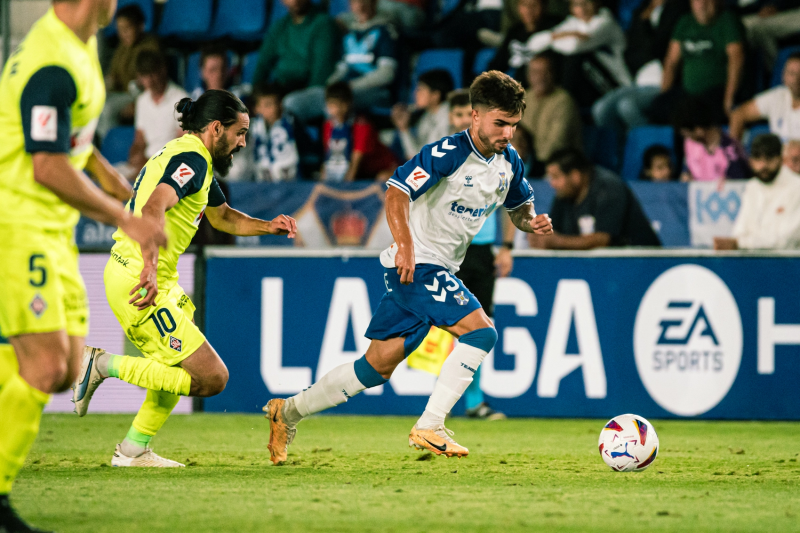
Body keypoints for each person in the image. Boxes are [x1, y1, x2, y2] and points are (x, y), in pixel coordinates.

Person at [264, 71, 553, 464]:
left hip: (436, 270)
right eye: (500, 123)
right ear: (475, 116)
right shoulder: (447, 152)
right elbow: (397, 191)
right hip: (418, 265)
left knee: (374, 368)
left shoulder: (510, 163)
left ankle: (288, 411)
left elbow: (519, 209)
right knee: (482, 334)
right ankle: (431, 425)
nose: (508, 133)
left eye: (514, 125)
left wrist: (531, 221)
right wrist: (404, 245)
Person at [0, 1, 167, 530]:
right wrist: (127, 218)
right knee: (46, 366)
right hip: (18, 221)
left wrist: (124, 192)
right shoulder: (51, 61)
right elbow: (47, 165)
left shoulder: (84, 46)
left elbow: (76, 143)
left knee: (66, 368)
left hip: (52, 229)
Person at [71, 90, 298, 467]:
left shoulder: (191, 157)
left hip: (152, 274)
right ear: (215, 128)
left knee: (177, 367)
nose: (242, 142)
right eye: (239, 133)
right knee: (212, 378)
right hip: (139, 275)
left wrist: (266, 226)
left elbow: (222, 216)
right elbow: (155, 204)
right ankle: (99, 365)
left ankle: (133, 450)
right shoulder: (192, 159)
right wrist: (147, 266)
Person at [447, 90, 514, 420]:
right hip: (448, 251)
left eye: (466, 114)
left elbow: (514, 203)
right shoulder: (442, 158)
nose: (461, 120)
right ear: (451, 119)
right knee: (441, 327)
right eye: (456, 114)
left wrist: (507, 247)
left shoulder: (499, 157)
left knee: (479, 327)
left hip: (482, 252)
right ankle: (444, 401)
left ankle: (474, 402)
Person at [531, 148, 661, 249]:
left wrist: (557, 241)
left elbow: (603, 239)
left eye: (556, 177)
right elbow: (553, 231)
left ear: (575, 176)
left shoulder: (609, 187)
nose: (552, 184)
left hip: (640, 261)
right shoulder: (564, 194)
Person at [591, 0, 689, 131]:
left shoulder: (678, 9)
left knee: (627, 106)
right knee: (601, 109)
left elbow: (664, 47)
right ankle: (617, 149)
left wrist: (646, 25)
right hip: (638, 82)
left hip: (662, 83)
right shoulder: (640, 11)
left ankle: (649, 145)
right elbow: (631, 49)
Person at [650, 0, 745, 124]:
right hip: (688, 93)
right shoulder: (685, 22)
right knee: (658, 108)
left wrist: (730, 97)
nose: (702, 4)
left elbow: (736, 59)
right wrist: (664, 95)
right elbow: (671, 62)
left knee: (693, 115)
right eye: (697, 0)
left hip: (716, 91)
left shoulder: (727, 20)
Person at [524, 0, 631, 107]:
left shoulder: (605, 22)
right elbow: (533, 44)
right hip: (590, 85)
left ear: (596, 3)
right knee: (546, 57)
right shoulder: (573, 23)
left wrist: (557, 39)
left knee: (576, 58)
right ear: (571, 8)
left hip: (616, 83)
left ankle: (563, 103)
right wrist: (567, 34)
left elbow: (574, 47)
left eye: (586, 3)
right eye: (577, 4)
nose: (582, 8)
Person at [252, 0, 340, 123]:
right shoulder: (279, 26)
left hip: (310, 91)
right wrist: (256, 95)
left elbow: (320, 76)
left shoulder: (323, 24)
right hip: (281, 88)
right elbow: (262, 65)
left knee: (290, 104)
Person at [714, 134, 800, 250]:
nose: (763, 165)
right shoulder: (752, 187)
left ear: (781, 159)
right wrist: (740, 242)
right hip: (753, 263)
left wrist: (740, 243)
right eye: (758, 159)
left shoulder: (796, 187)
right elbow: (739, 232)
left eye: (769, 159)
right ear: (751, 161)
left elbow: (785, 240)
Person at [99, 3, 159, 138]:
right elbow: (113, 75)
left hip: (138, 96)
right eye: (120, 29)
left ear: (140, 26)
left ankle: (108, 143)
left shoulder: (150, 46)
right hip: (122, 94)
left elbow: (147, 84)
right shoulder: (122, 47)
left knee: (107, 109)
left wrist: (136, 102)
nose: (123, 33)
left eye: (127, 28)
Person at [126, 51, 188, 176]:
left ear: (163, 70)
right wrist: (135, 155)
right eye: (144, 75)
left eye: (152, 74)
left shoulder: (181, 99)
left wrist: (152, 162)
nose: (149, 80)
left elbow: (183, 143)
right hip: (147, 164)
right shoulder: (142, 101)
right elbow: (139, 140)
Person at [520, 53, 582, 177]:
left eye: (545, 72)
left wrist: (531, 166)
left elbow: (557, 144)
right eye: (535, 72)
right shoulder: (524, 98)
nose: (540, 77)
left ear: (553, 74)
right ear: (528, 76)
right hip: (528, 163)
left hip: (558, 164)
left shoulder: (563, 101)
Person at [322, 82, 398, 182]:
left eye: (339, 105)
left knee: (382, 178)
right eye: (331, 105)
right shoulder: (328, 126)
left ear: (348, 104)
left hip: (382, 170)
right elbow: (329, 160)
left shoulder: (362, 127)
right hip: (361, 173)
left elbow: (354, 165)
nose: (334, 110)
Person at [674, 96, 750, 182]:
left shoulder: (730, 148)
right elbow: (686, 172)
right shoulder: (689, 144)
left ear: (699, 129)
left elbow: (738, 182)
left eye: (688, 134)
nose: (687, 138)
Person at [729, 52, 800, 142]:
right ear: (783, 75)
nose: (796, 79)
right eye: (792, 73)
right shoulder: (778, 96)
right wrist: (733, 152)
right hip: (776, 155)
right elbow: (738, 115)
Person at [486, 0, 561, 81]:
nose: (529, 10)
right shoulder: (514, 31)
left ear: (544, 6)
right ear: (518, 7)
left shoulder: (555, 28)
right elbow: (499, 62)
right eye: (524, 5)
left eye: (534, 5)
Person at [392, 69, 454, 161]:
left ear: (435, 95)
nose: (415, 94)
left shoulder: (449, 116)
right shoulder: (427, 116)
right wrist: (403, 129)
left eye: (420, 90)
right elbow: (415, 156)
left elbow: (428, 160)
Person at [251, 85, 300, 182]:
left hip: (289, 180)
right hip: (263, 181)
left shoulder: (290, 123)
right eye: (267, 105)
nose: (273, 108)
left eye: (275, 103)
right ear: (257, 109)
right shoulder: (254, 127)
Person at [741, 0, 800, 70]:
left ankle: (778, 73)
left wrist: (775, 4)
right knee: (749, 29)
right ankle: (778, 74)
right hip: (751, 13)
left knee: (759, 29)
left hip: (789, 9)